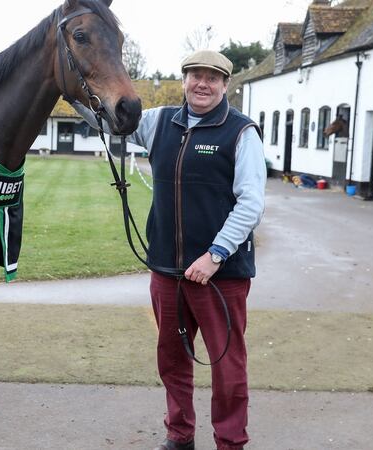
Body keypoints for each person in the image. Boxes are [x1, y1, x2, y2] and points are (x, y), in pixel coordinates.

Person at [72, 50, 266, 449]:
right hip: (167, 271)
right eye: (196, 75)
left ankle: (230, 442)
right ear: (184, 80)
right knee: (172, 361)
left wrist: (215, 255)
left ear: (225, 85)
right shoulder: (159, 121)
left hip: (221, 276)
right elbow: (112, 120)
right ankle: (180, 436)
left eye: (213, 78)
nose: (203, 84)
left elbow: (251, 204)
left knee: (228, 367)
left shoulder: (240, 131)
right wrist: (72, 93)